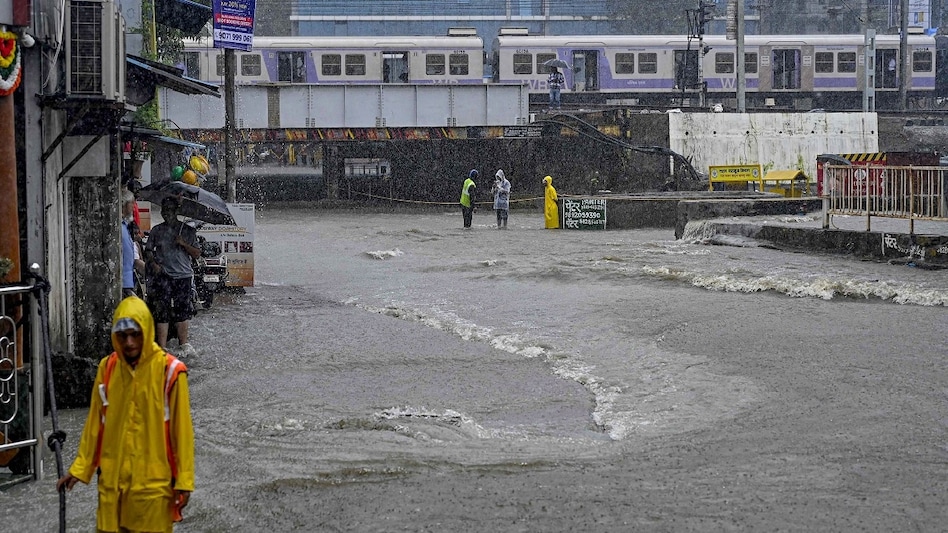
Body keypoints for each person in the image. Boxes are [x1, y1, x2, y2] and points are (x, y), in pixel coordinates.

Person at [57, 296, 194, 532]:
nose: (129, 343)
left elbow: (181, 432)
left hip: (152, 489)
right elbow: (95, 424)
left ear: (147, 331)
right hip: (112, 485)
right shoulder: (107, 368)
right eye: (122, 336)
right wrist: (80, 468)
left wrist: (184, 481)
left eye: (135, 334)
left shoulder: (170, 371)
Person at [144, 197, 201, 356]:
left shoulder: (188, 231)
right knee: (162, 310)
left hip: (183, 276)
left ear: (176, 211)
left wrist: (183, 244)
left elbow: (196, 254)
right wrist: (154, 263)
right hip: (163, 275)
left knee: (183, 310)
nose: (166, 214)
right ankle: (162, 347)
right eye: (164, 210)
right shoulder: (157, 230)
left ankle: (184, 344)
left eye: (170, 210)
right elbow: (148, 250)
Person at [121, 190, 138, 298]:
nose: (134, 206)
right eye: (132, 203)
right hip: (123, 282)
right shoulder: (119, 227)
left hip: (128, 281)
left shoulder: (124, 226)